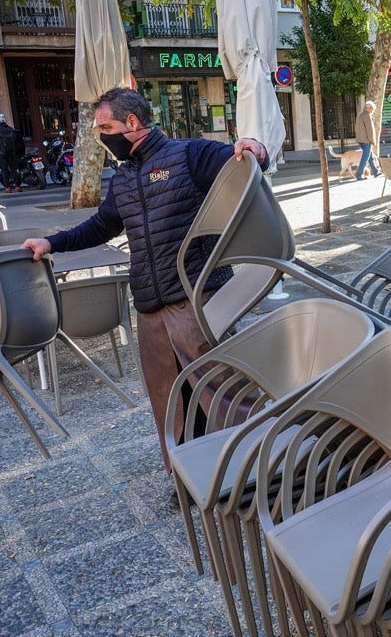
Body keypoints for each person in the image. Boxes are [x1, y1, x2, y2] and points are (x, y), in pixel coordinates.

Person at [21, 87, 268, 486]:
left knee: (222, 392)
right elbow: (101, 226)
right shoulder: (123, 177)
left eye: (106, 127)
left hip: (194, 299)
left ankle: (258, 467)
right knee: (171, 402)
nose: (102, 136)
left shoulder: (189, 155)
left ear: (132, 123)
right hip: (150, 306)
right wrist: (52, 243)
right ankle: (193, 480)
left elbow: (247, 161)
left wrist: (255, 145)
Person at [0, 112, 22, 192]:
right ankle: (17, 186)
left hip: (2, 153)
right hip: (12, 152)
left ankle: (7, 187)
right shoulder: (10, 128)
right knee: (14, 169)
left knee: (4, 170)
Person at [354, 100, 380, 179]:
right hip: (366, 141)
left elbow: (356, 129)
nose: (373, 111)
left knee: (370, 157)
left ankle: (375, 172)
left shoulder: (360, 115)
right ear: (370, 108)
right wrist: (372, 141)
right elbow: (370, 130)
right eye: (373, 109)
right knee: (365, 158)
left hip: (360, 140)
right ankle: (359, 175)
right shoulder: (367, 116)